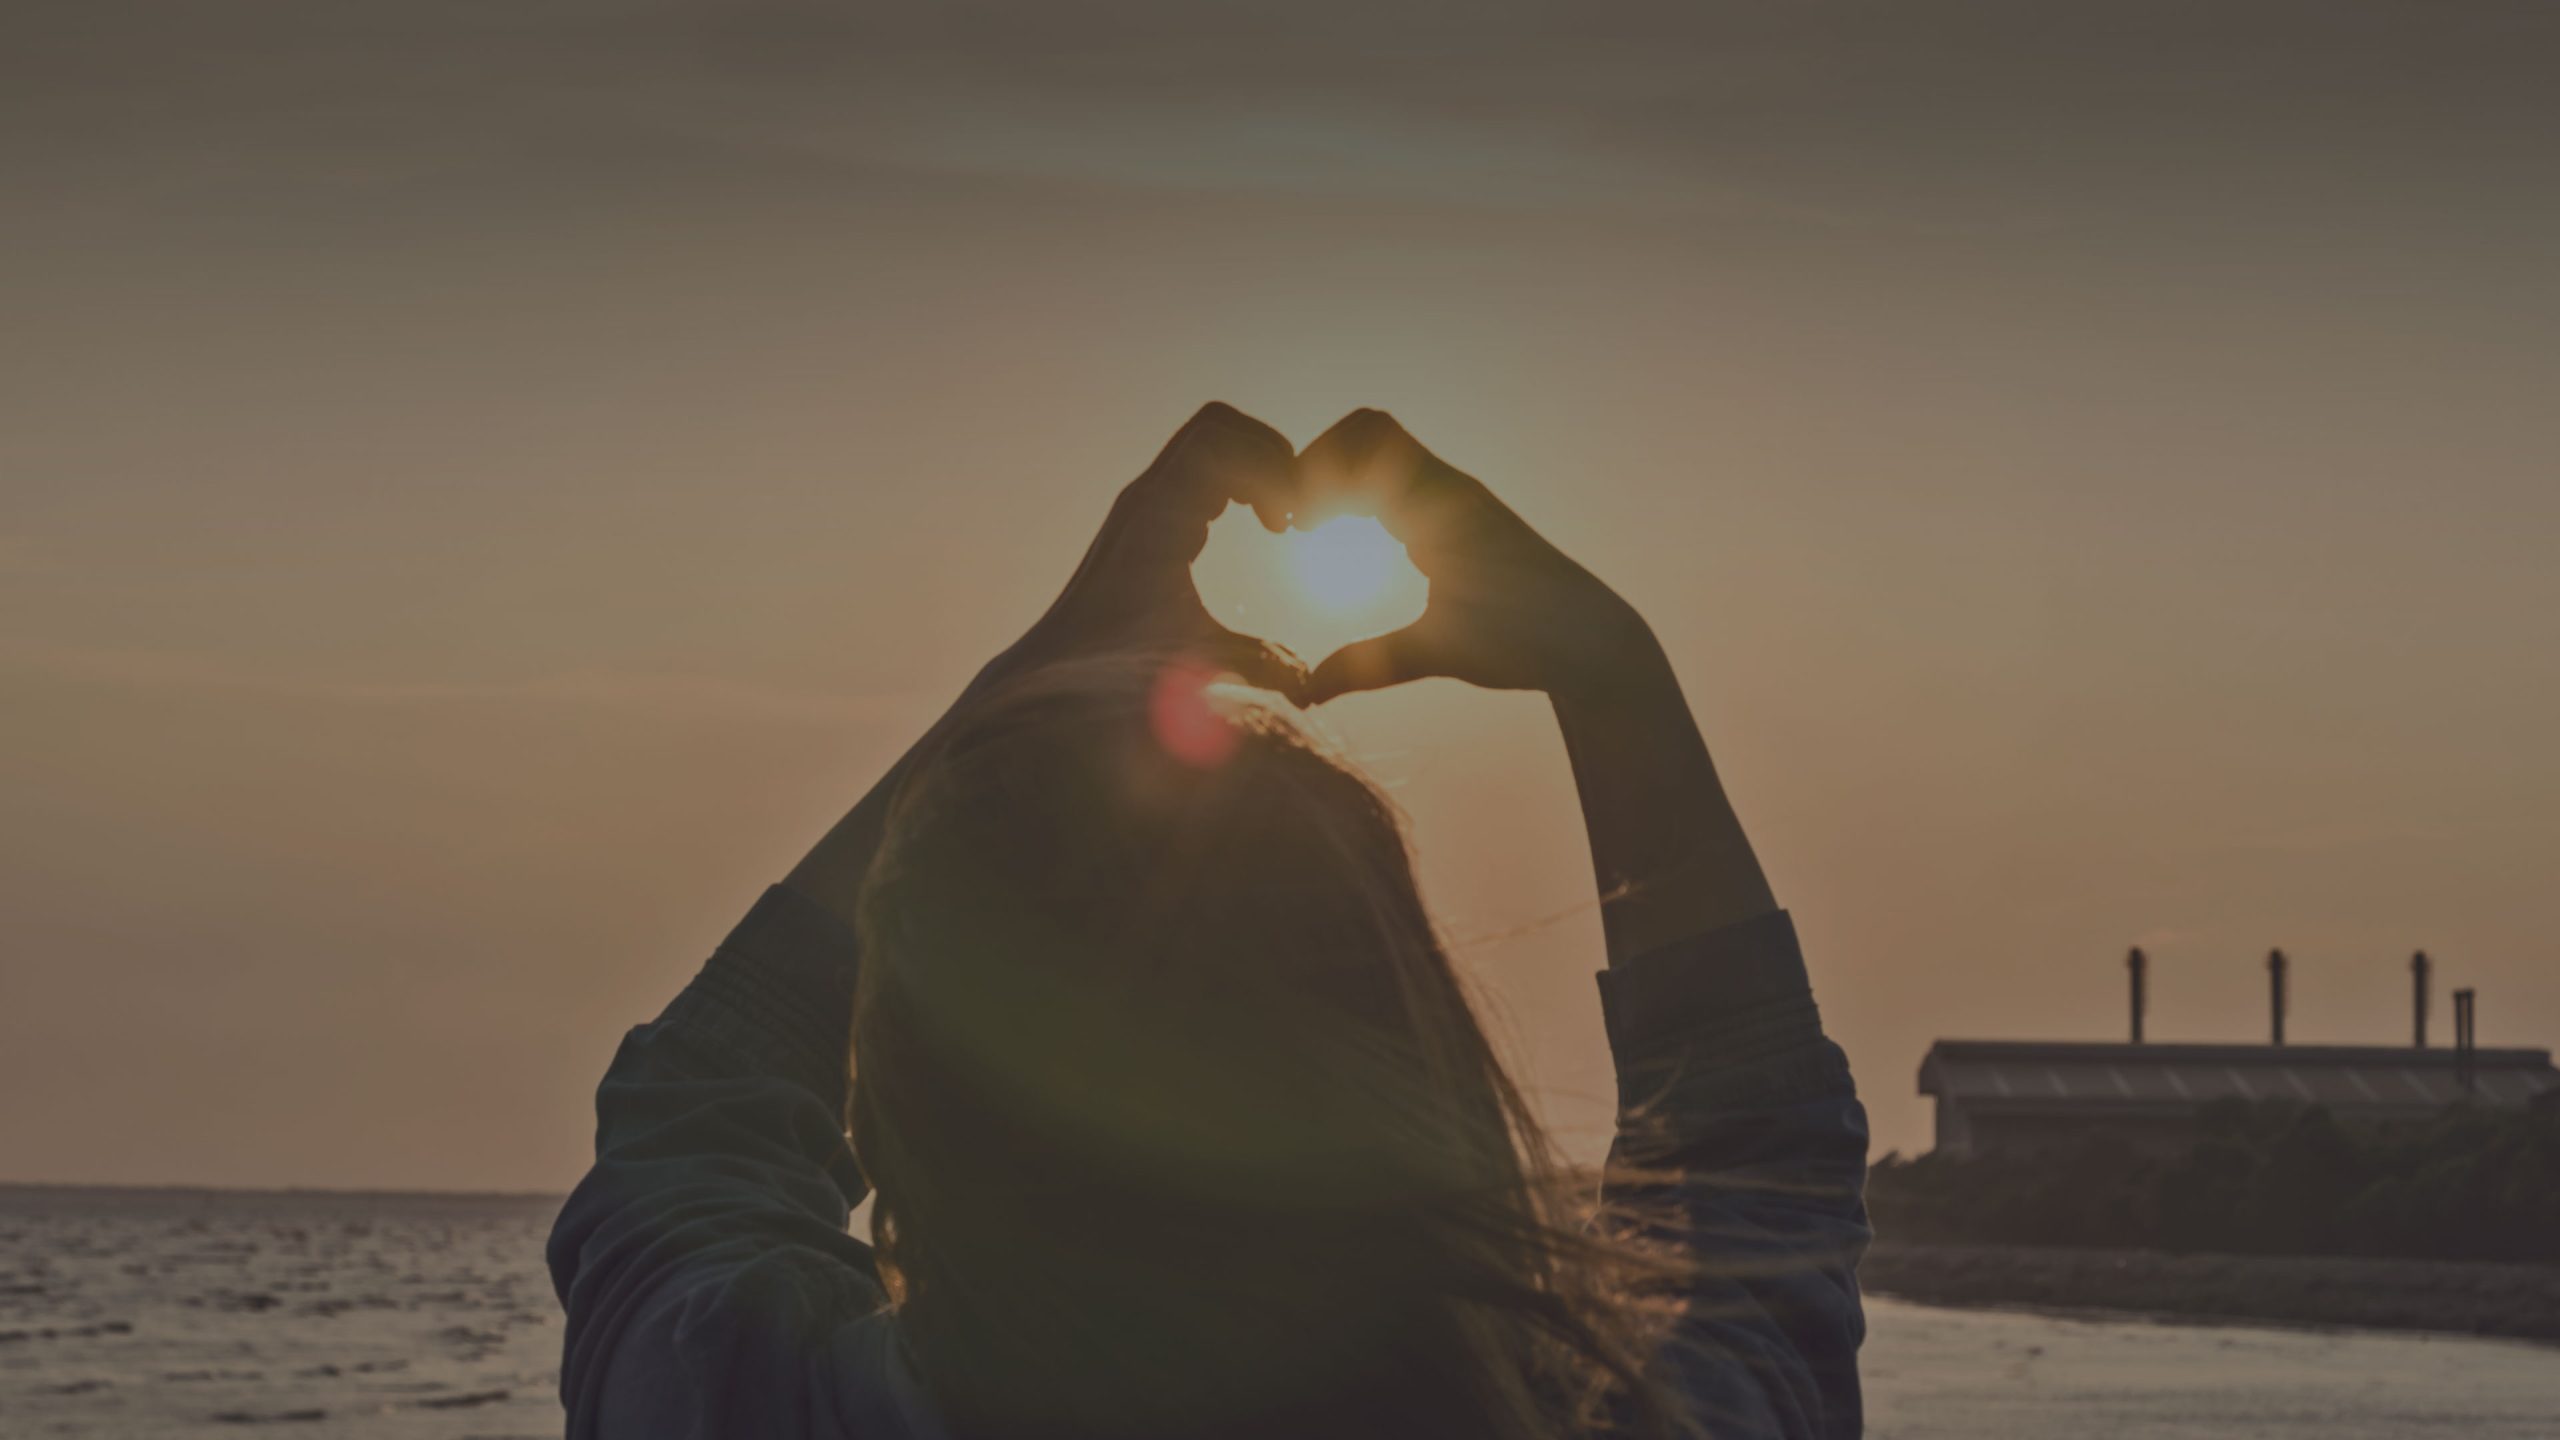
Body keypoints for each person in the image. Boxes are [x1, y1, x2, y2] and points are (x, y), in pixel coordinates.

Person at [548, 404, 1869, 1440]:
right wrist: (1609, 668)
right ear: (1419, 1067)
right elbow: (1754, 1198)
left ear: (887, 1120)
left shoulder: (740, 1400)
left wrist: (1031, 680)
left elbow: (700, 1113)